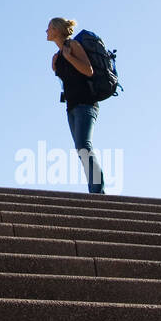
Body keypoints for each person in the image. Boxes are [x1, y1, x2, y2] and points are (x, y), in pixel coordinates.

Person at [46, 17, 105, 194]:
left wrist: (69, 58)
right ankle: (94, 190)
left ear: (57, 30)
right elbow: (71, 79)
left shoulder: (73, 46)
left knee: (84, 147)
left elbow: (88, 70)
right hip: (71, 107)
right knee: (81, 149)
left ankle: (98, 192)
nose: (47, 31)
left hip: (86, 105)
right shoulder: (58, 55)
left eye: (49, 28)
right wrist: (56, 69)